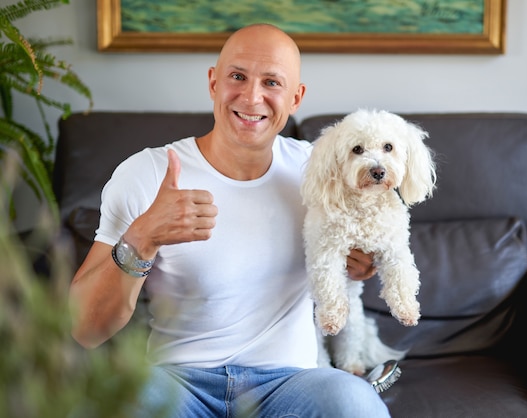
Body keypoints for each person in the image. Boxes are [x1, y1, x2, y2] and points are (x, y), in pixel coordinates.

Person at [69, 23, 391, 417]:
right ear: (213, 83)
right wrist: (142, 238)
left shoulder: (319, 172)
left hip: (291, 383)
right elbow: (84, 329)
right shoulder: (147, 173)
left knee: (355, 404)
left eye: (271, 82)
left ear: (296, 98)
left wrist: (363, 260)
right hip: (177, 383)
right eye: (237, 76)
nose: (252, 96)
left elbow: (379, 228)